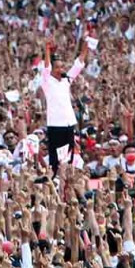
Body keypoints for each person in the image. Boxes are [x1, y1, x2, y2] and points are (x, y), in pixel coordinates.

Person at [38, 38, 92, 173]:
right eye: (57, 67)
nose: (60, 69)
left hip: (69, 124)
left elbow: (78, 65)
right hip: (55, 125)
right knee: (56, 158)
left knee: (68, 156)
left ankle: (67, 178)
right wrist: (47, 49)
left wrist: (85, 48)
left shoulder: (66, 80)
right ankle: (55, 178)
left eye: (62, 67)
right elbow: (46, 67)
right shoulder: (47, 81)